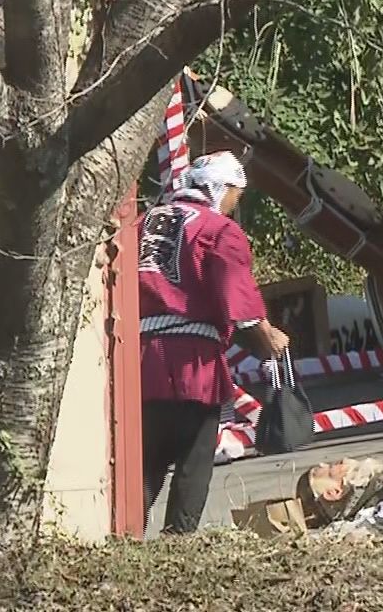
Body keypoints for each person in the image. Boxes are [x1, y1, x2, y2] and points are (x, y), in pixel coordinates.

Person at [138, 151, 288, 533]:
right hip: (193, 362)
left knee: (144, 460)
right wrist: (267, 338)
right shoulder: (217, 230)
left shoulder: (141, 224)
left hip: (135, 357)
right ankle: (178, 542)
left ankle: (124, 537)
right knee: (194, 455)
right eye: (236, 195)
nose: (235, 205)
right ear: (219, 189)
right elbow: (238, 301)